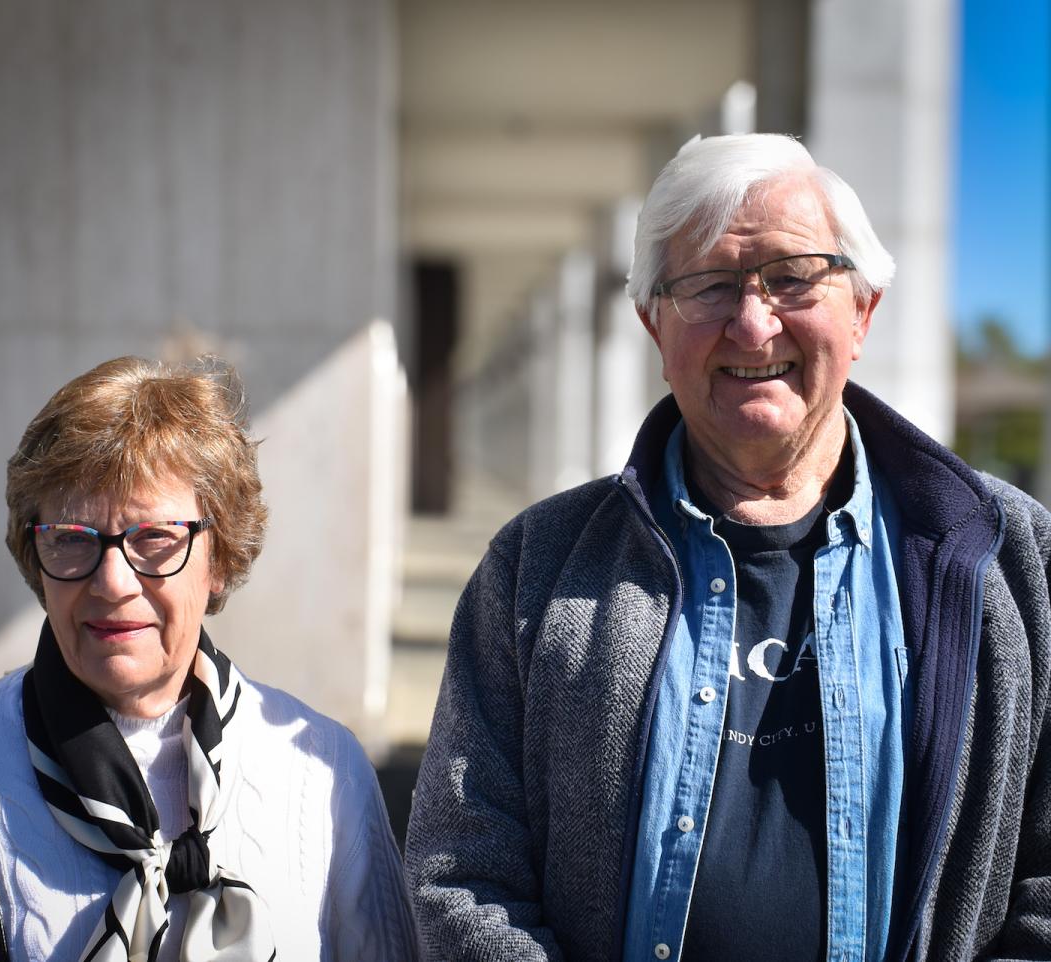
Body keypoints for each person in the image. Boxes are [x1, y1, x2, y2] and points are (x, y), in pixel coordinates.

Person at [403, 133, 1051, 962]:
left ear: (862, 311)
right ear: (653, 322)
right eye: (708, 285)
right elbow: (462, 872)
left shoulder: (1008, 560)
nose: (752, 323)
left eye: (792, 277)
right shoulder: (538, 569)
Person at [0, 355, 418, 960]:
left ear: (219, 558)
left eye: (154, 538)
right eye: (70, 538)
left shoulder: (325, 775)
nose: (113, 581)